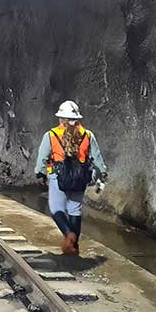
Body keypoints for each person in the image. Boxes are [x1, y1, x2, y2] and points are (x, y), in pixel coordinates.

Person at [33, 100, 107, 255]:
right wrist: (103, 172)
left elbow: (42, 156)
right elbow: (97, 157)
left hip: (58, 176)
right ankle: (74, 245)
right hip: (81, 177)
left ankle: (69, 234)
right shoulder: (87, 135)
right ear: (77, 118)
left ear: (60, 118)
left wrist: (39, 171)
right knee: (75, 210)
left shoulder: (51, 135)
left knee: (56, 209)